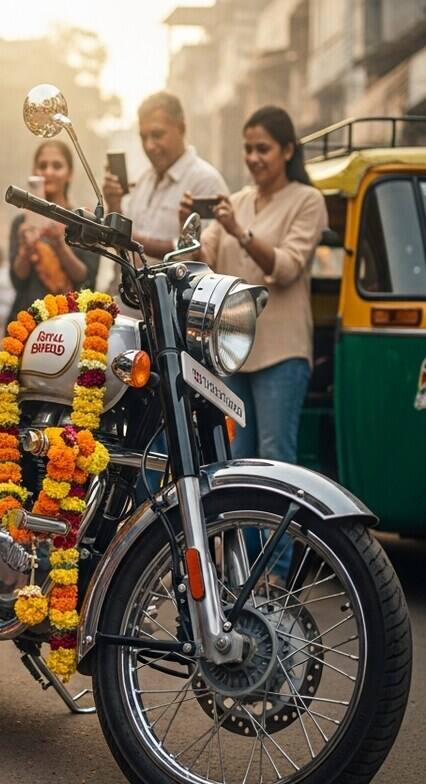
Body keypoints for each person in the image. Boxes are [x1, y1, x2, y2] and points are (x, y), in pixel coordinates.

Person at [181, 106, 327, 581]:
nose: (253, 158)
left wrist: (237, 230)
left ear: (288, 150)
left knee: (276, 460)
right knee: (236, 464)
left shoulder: (307, 200)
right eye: (248, 149)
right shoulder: (237, 201)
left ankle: (276, 573)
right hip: (232, 351)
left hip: (282, 351)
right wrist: (193, 227)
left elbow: (285, 267)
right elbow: (209, 263)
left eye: (263, 148)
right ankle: (244, 572)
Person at [97, 91, 227, 291]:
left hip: (170, 313)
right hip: (127, 303)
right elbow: (121, 247)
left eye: (157, 135)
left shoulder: (205, 181)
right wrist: (113, 205)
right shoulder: (145, 180)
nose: (149, 146)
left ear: (181, 128)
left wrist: (133, 240)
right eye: (143, 137)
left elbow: (203, 259)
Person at [8, 140, 99, 323]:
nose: (48, 172)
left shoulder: (83, 222)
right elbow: (18, 280)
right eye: (42, 166)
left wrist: (60, 246)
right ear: (34, 172)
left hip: (72, 323)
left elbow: (87, 278)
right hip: (28, 322)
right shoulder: (21, 223)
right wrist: (26, 251)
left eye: (57, 166)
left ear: (70, 174)